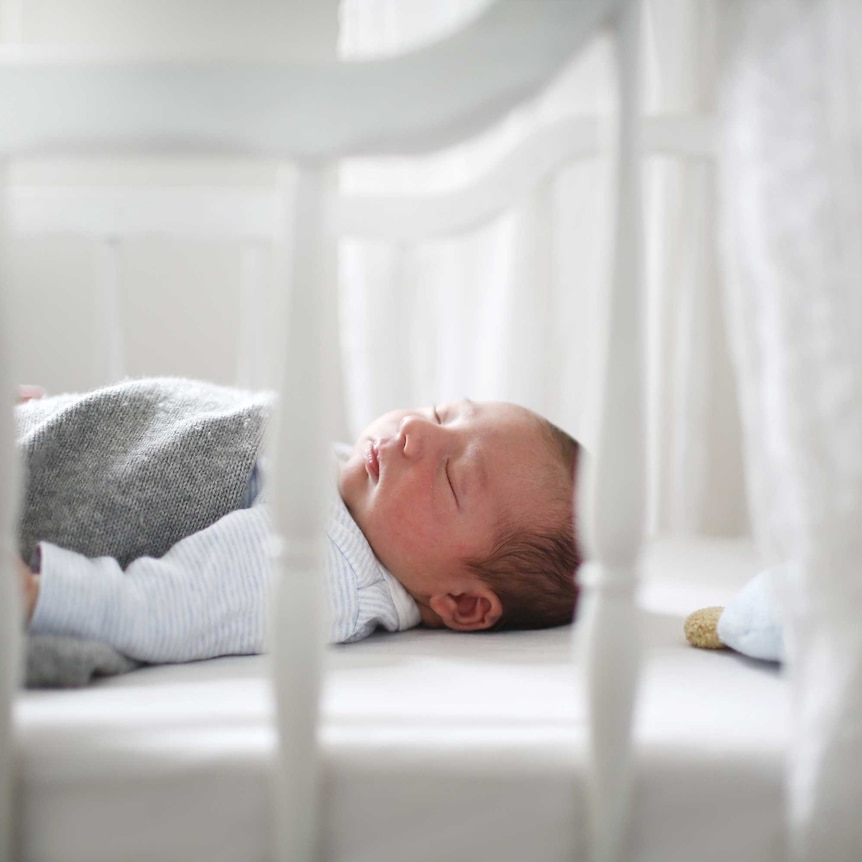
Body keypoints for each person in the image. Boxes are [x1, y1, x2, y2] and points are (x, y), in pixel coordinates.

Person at [15, 378, 581, 673]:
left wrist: (41, 593)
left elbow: (172, 605)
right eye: (441, 414)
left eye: (452, 479)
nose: (416, 433)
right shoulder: (358, 488)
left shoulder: (327, 565)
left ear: (462, 603)